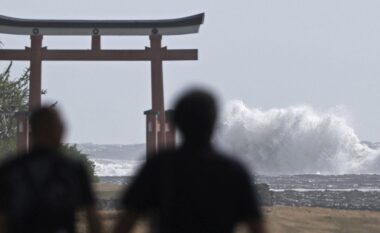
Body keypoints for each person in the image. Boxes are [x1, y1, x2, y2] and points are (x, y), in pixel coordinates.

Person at [114, 89, 267, 233]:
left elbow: (126, 222)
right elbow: (256, 226)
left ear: (176, 123)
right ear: (214, 124)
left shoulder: (158, 165)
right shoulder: (233, 170)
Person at [0, 107, 102, 233]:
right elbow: (92, 218)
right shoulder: (73, 168)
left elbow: (3, 219)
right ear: (56, 131)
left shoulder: (10, 168)